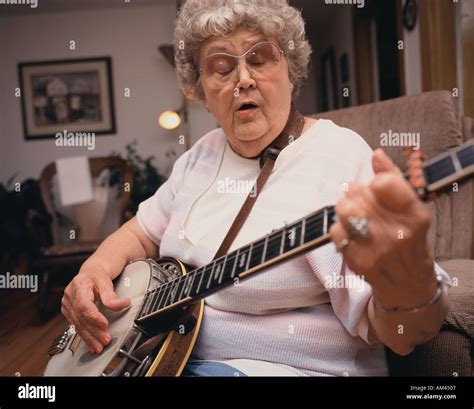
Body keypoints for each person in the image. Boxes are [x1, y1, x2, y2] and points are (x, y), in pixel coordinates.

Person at [61, 0, 449, 376]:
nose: (243, 79)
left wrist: (407, 274)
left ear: (290, 70)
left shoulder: (340, 157)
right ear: (201, 92)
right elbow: (142, 231)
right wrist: (93, 269)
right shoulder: (199, 156)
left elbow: (402, 336)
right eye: (220, 67)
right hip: (163, 360)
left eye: (260, 59)